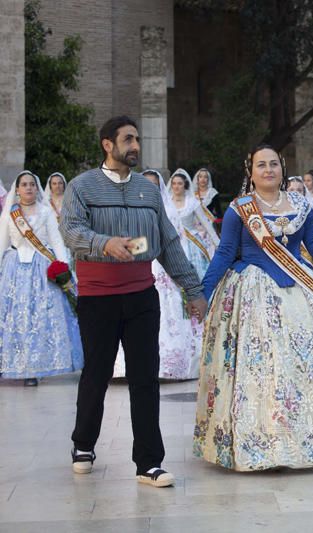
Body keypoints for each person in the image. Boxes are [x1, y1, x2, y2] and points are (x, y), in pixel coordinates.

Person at [194, 144, 313, 471]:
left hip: (303, 291)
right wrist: (203, 292)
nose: (268, 170)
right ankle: (264, 442)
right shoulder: (240, 209)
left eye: (274, 164)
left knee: (311, 363)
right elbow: (225, 254)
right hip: (254, 293)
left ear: (282, 168)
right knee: (265, 366)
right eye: (261, 165)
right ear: (250, 171)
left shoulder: (301, 204)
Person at [62, 115, 207, 488]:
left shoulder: (147, 190)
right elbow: (72, 231)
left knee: (145, 378)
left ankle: (149, 463)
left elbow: (168, 243)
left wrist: (193, 290)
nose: (136, 146)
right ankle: (83, 443)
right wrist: (102, 243)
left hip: (142, 295)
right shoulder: (82, 187)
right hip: (98, 299)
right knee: (97, 373)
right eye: (128, 139)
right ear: (107, 144)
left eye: (137, 139)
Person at [112, 170, 204, 380]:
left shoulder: (169, 212)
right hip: (135, 266)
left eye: (154, 185)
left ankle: (168, 365)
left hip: (163, 269)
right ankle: (126, 367)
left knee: (166, 313)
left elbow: (177, 245)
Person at [0, 171, 83, 387]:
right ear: (16, 190)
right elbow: (2, 242)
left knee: (39, 318)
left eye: (32, 184)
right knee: (14, 317)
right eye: (24, 185)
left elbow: (56, 242)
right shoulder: (10, 214)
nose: (28, 188)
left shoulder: (46, 212)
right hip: (14, 269)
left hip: (41, 269)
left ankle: (34, 368)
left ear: (37, 189)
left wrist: (63, 268)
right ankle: (9, 364)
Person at [170, 169, 220, 279]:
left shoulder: (192, 203)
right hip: (172, 244)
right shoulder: (166, 203)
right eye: (174, 183)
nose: (176, 186)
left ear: (185, 185)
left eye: (179, 183)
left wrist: (218, 243)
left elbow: (206, 224)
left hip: (192, 244)